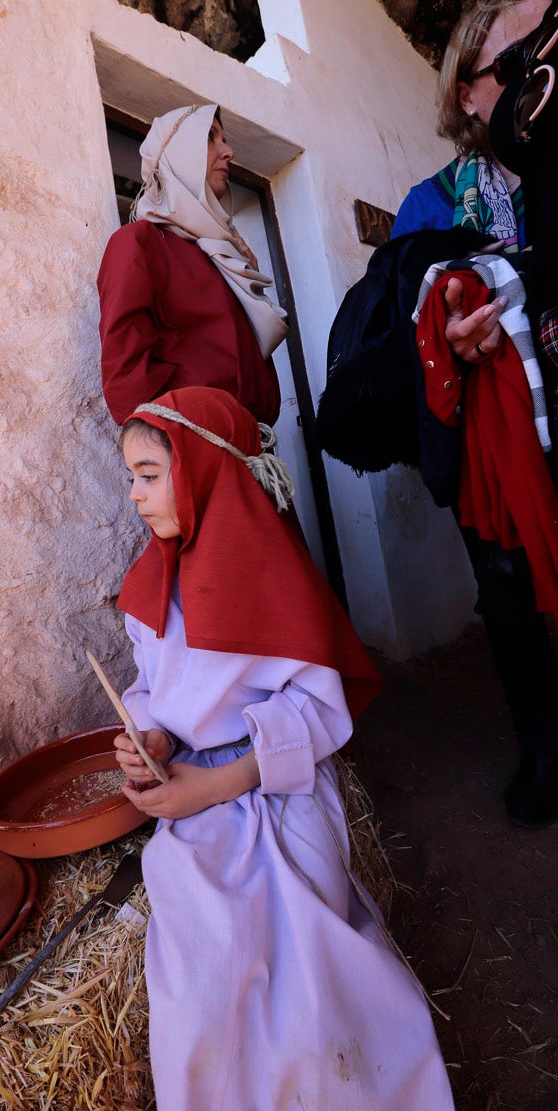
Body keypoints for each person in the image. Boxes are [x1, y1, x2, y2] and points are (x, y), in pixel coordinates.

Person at [113, 385, 455, 1110]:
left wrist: (213, 786)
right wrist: (150, 733)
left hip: (271, 791)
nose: (136, 497)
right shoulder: (153, 584)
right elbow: (153, 686)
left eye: (149, 475)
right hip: (193, 794)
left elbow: (318, 712)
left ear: (203, 469)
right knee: (200, 971)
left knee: (301, 969)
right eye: (132, 478)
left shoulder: (271, 583)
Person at [391, 0, 558, 829]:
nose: (545, 79)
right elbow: (408, 326)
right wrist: (449, 347)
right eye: (522, 62)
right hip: (493, 444)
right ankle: (544, 743)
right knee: (509, 588)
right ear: (470, 92)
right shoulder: (428, 205)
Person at [97, 104, 288, 426]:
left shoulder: (224, 253)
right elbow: (125, 373)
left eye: (224, 139)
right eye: (210, 138)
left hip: (254, 448)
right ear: (178, 153)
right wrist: (167, 448)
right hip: (194, 446)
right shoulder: (140, 242)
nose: (228, 151)